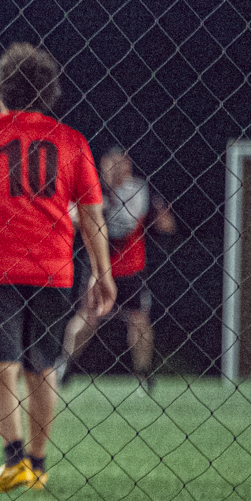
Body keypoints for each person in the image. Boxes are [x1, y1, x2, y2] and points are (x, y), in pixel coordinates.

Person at [0, 42, 115, 492]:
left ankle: (14, 460)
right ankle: (38, 463)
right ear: (49, 94)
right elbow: (92, 216)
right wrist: (103, 271)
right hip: (53, 268)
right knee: (43, 367)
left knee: (0, 366)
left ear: (0, 91)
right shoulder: (71, 140)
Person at [56, 147, 175, 390]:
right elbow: (70, 218)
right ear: (102, 165)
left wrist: (162, 221)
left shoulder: (140, 191)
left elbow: (165, 224)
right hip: (98, 269)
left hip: (131, 270)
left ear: (129, 166)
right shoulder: (91, 189)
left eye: (122, 164)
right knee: (88, 319)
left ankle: (143, 374)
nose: (118, 169)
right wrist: (87, 214)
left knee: (139, 320)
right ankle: (65, 365)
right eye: (112, 164)